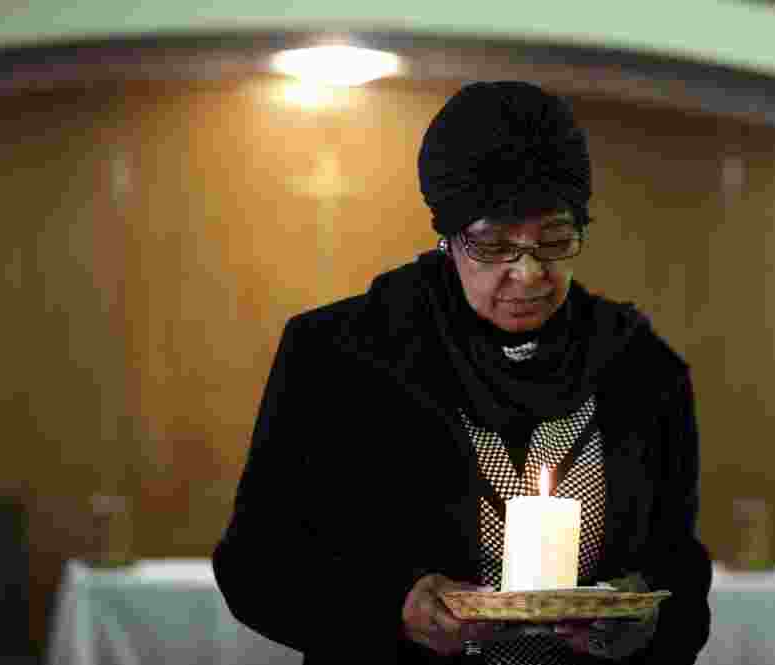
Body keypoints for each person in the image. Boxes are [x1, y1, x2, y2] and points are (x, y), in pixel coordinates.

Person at [212, 80, 712, 664]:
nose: (528, 274)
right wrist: (391, 608)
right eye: (494, 245)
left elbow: (680, 575)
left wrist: (642, 624)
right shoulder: (343, 356)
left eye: (554, 240)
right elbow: (255, 565)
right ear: (447, 239)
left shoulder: (638, 365)